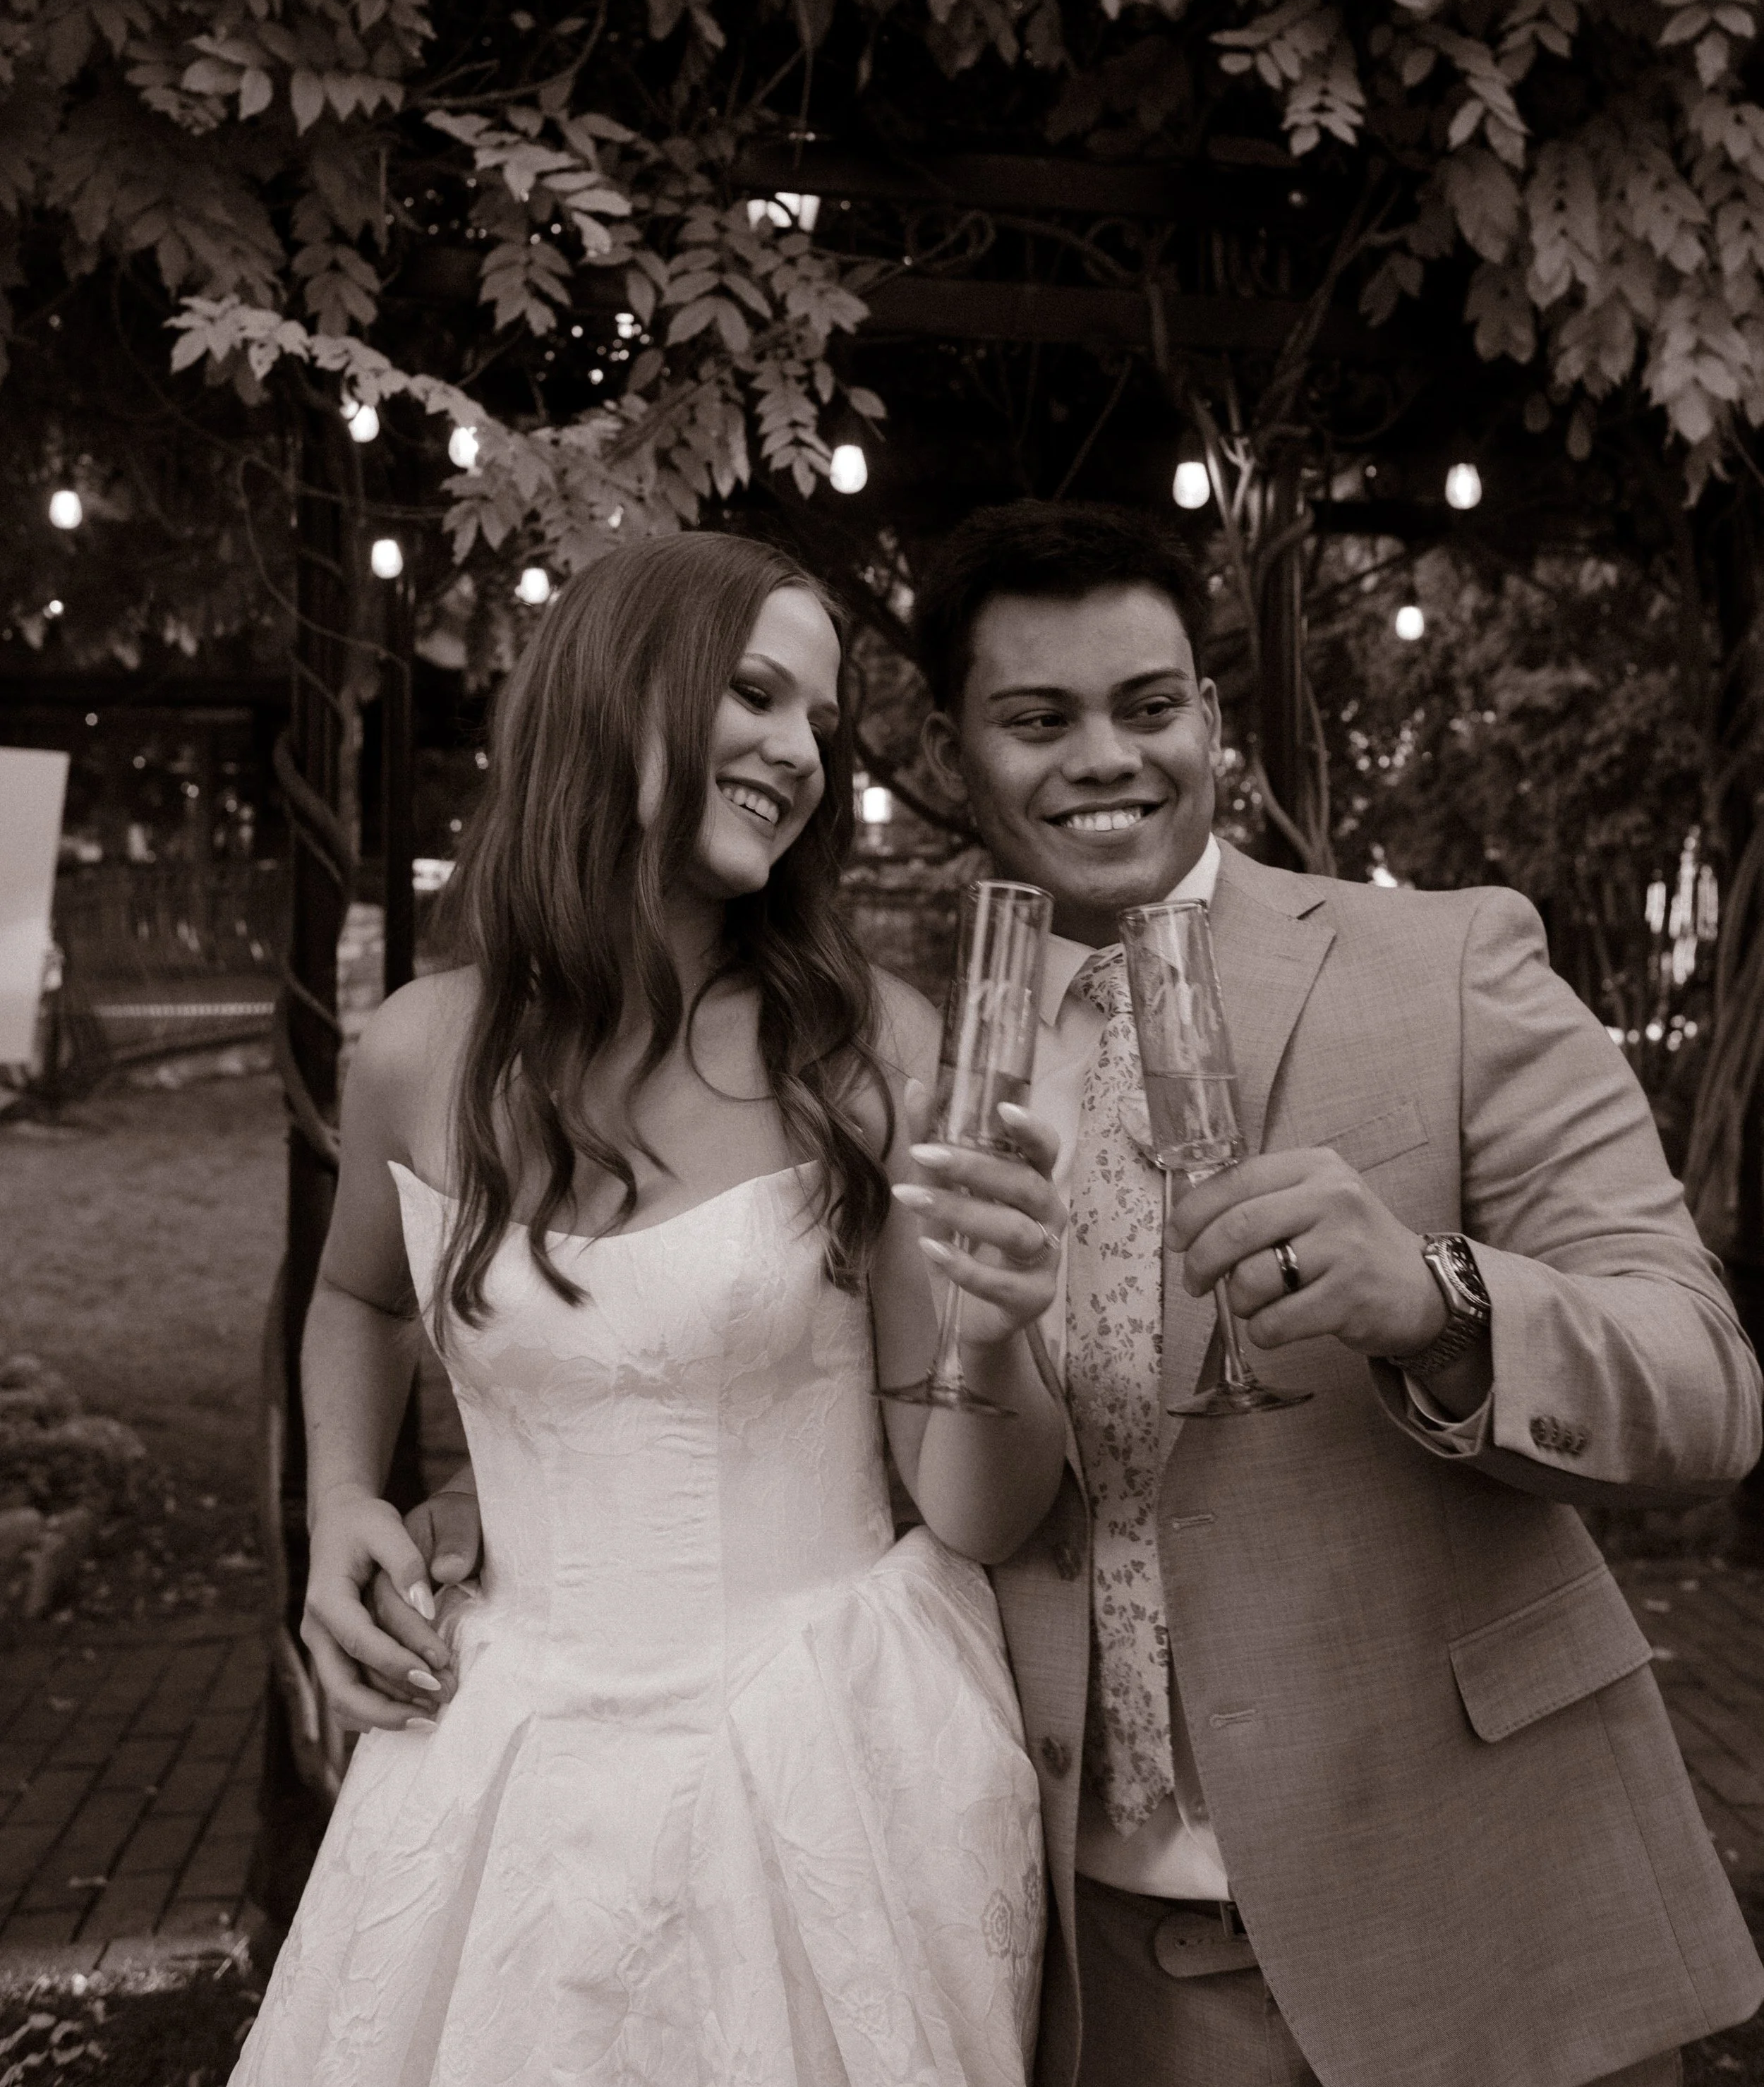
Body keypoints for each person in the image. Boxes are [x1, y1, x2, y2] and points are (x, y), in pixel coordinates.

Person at [371, 502, 1764, 2087]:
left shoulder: (1443, 965)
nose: (1102, 757)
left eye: (1147, 706)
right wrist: (485, 1506)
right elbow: (739, 1375)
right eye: (1036, 720)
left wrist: (1439, 1298)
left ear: (1211, 722)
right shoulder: (889, 1060)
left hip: (1477, 1911)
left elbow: (1707, 1387)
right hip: (1096, 1965)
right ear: (956, 758)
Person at [231, 532, 1070, 2087]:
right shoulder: (421, 1049)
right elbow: (357, 1292)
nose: (799, 752)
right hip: (502, 1761)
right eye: (753, 693)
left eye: (817, 718)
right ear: (616, 697)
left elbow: (975, 1511)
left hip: (820, 1759)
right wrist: (342, 1492)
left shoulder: (860, 1053)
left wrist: (999, 1331)